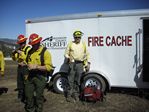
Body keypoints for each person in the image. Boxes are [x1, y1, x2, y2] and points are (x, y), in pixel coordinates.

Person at [25, 33, 53, 112]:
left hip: (40, 76)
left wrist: (36, 66)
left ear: (38, 42)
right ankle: (30, 109)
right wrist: (26, 64)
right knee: (28, 95)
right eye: (32, 45)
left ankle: (38, 110)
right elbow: (28, 61)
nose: (33, 46)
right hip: (30, 75)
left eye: (34, 44)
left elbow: (48, 67)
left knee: (39, 96)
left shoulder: (45, 52)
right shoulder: (30, 51)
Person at [64, 30, 90, 102]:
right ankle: (69, 96)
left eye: (79, 37)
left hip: (80, 64)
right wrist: (69, 57)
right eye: (76, 37)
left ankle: (76, 94)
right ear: (74, 37)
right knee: (70, 80)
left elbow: (87, 54)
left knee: (77, 80)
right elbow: (65, 54)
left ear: (80, 37)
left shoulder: (83, 44)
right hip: (72, 64)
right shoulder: (70, 44)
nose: (77, 38)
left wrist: (87, 64)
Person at [11, 34, 31, 102]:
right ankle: (20, 94)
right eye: (20, 43)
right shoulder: (19, 49)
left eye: (22, 43)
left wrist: (21, 53)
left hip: (25, 68)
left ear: (25, 42)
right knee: (19, 82)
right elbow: (14, 59)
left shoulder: (28, 49)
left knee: (26, 82)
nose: (21, 44)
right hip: (19, 68)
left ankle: (26, 95)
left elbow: (28, 58)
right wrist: (13, 54)